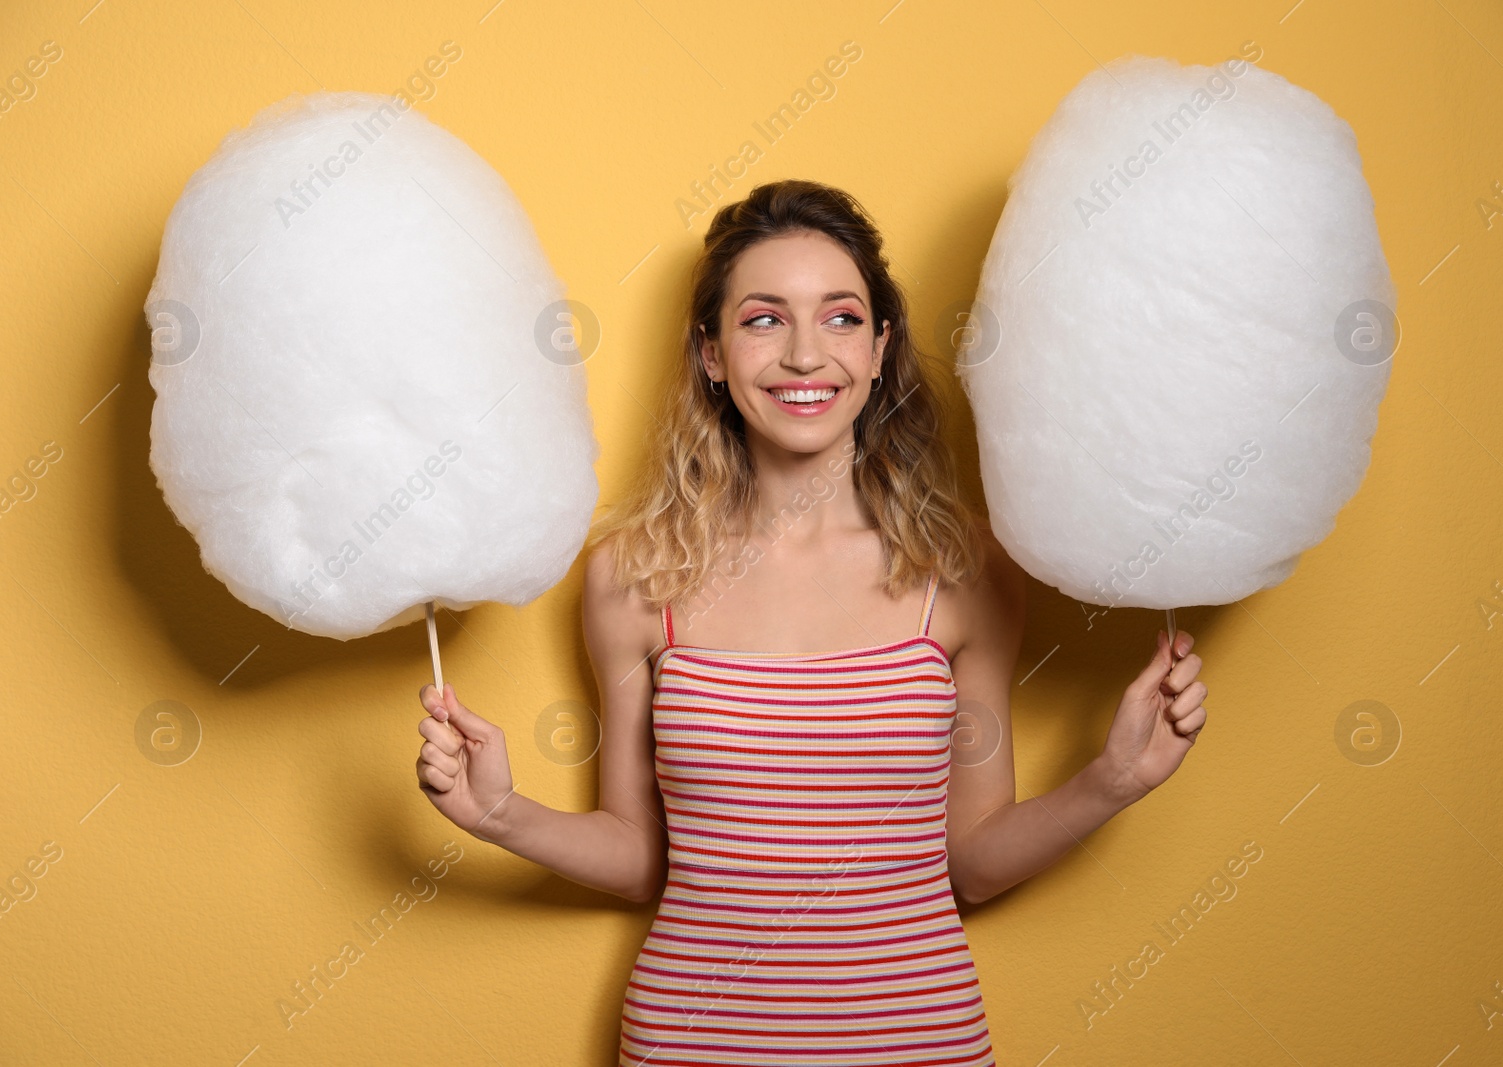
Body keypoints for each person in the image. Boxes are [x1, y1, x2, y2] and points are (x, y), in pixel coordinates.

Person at [414, 179, 1208, 1065]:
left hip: (918, 1041)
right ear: (711, 353)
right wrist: (498, 814)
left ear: (880, 349)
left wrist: (1115, 778)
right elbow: (642, 858)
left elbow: (975, 861)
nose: (803, 355)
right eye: (762, 319)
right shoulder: (633, 579)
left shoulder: (969, 571)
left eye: (839, 318)